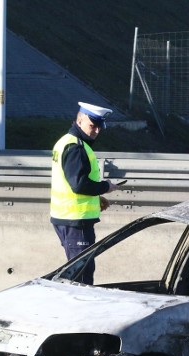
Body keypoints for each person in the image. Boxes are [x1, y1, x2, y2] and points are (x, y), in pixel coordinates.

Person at [50, 101, 122, 284]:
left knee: (78, 272)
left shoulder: (67, 142)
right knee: (82, 277)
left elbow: (71, 184)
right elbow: (79, 185)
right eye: (93, 125)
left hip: (69, 217)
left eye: (100, 127)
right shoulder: (76, 147)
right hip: (76, 220)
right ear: (79, 120)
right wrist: (106, 186)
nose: (97, 131)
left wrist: (97, 197)